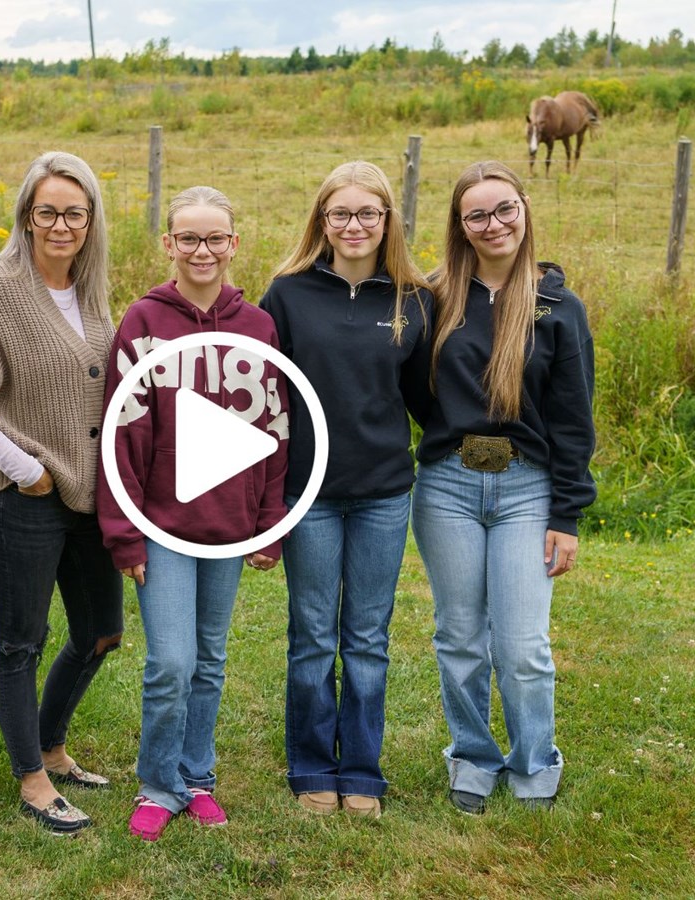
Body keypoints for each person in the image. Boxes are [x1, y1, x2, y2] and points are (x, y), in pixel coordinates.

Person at [0, 151, 122, 836]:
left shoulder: (93, 287)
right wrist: (24, 467)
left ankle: (51, 744)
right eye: (48, 211)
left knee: (101, 632)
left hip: (89, 492)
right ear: (26, 215)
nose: (61, 224)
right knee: (21, 641)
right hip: (22, 494)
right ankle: (33, 779)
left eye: (75, 212)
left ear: (90, 219)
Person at [96, 186, 290, 842]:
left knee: (209, 660)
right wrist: (124, 534)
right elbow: (120, 435)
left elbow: (274, 429)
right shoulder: (143, 324)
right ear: (168, 244)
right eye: (188, 238)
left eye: (214, 238)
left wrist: (269, 522)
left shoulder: (258, 327)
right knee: (170, 662)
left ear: (234, 244)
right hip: (162, 529)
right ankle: (157, 783)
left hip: (231, 525)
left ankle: (197, 777)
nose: (201, 250)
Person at [409, 160, 596, 815]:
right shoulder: (433, 299)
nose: (495, 225)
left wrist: (566, 515)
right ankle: (472, 757)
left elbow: (574, 419)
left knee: (522, 646)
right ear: (460, 226)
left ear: (524, 209)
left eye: (505, 209)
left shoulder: (556, 307)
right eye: (478, 215)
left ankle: (534, 762)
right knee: (459, 638)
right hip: (448, 489)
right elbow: (412, 387)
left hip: (527, 491)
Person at [258, 161, 431, 819]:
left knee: (366, 636)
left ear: (387, 221)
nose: (354, 226)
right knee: (310, 636)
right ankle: (310, 767)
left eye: (368, 214)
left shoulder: (412, 298)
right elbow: (267, 401)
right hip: (311, 496)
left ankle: (360, 770)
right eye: (341, 214)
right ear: (321, 221)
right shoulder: (288, 293)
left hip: (384, 493)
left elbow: (425, 401)